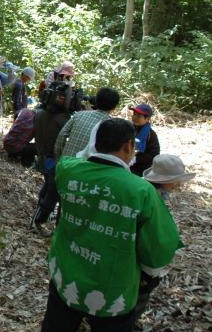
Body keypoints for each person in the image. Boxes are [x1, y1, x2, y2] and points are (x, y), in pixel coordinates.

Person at [40, 118, 182, 332]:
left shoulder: (67, 170)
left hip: (65, 276)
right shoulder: (141, 191)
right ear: (128, 146)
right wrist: (149, 276)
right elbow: (159, 247)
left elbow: (79, 160)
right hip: (113, 288)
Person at [134, 153, 195, 322]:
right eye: (176, 179)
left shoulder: (151, 191)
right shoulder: (151, 197)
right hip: (143, 260)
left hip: (140, 256)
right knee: (139, 296)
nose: (178, 184)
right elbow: (153, 236)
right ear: (165, 180)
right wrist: (151, 271)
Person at [30, 83, 72, 236]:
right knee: (52, 191)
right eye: (62, 97)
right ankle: (38, 221)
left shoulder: (40, 113)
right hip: (51, 158)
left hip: (43, 155)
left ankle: (37, 215)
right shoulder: (61, 119)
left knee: (48, 185)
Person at [54, 87, 120, 159]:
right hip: (87, 168)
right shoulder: (111, 127)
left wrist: (60, 158)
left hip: (65, 164)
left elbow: (62, 135)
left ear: (97, 100)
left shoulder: (79, 115)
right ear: (114, 107)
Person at [129, 104, 160, 176]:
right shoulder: (128, 129)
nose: (135, 117)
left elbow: (154, 155)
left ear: (147, 119)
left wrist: (135, 159)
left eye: (139, 116)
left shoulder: (151, 135)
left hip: (142, 170)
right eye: (134, 114)